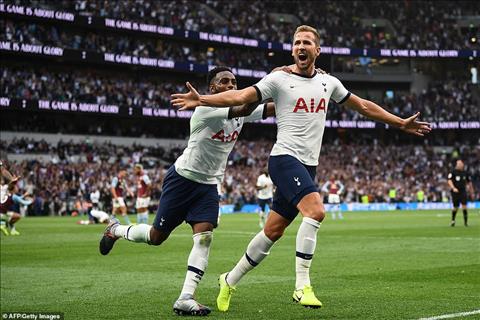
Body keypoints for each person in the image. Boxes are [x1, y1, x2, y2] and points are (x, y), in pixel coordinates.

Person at [171, 25, 432, 311]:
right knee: (316, 211)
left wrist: (399, 123)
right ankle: (301, 285)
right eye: (296, 43)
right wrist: (203, 100)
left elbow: (364, 106)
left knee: (273, 231)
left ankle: (229, 280)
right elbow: (242, 97)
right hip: (284, 159)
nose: (300, 47)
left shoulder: (328, 82)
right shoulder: (278, 79)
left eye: (307, 42)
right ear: (293, 50)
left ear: (317, 51)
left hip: (309, 166)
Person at [99, 66, 275, 316]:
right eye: (225, 82)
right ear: (212, 88)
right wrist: (274, 77)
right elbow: (245, 106)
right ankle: (115, 230)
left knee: (204, 238)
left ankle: (186, 297)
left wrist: (296, 87)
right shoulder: (206, 109)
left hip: (209, 186)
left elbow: (269, 109)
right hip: (182, 180)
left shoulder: (239, 112)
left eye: (234, 82)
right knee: (156, 237)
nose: (231, 85)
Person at [447, 159, 473, 227]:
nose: (461, 165)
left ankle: (466, 223)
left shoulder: (465, 173)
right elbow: (449, 181)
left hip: (463, 191)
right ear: (457, 165)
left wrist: (471, 191)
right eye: (459, 164)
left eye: (461, 164)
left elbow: (469, 182)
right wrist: (453, 188)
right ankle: (453, 221)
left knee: (464, 206)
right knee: (456, 207)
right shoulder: (452, 172)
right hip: (455, 192)